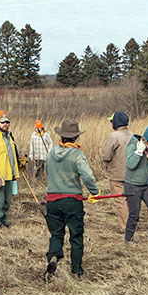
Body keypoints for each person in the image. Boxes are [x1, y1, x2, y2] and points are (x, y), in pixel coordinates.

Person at [43, 120, 99, 280]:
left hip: (52, 200)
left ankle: (53, 257)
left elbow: (48, 175)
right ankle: (76, 270)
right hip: (72, 201)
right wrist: (94, 192)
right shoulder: (77, 155)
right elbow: (87, 177)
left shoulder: (51, 153)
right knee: (76, 235)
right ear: (75, 137)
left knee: (56, 234)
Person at [0, 112, 24, 228]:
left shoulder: (9, 137)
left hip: (9, 174)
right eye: (3, 122)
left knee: (7, 200)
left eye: (7, 122)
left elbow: (12, 155)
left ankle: (4, 220)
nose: (5, 124)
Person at [100, 111, 132, 234]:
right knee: (130, 200)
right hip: (131, 175)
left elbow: (106, 156)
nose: (111, 123)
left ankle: (125, 227)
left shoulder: (113, 137)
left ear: (116, 122)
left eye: (112, 121)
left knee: (121, 201)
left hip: (117, 175)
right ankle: (132, 223)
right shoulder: (133, 135)